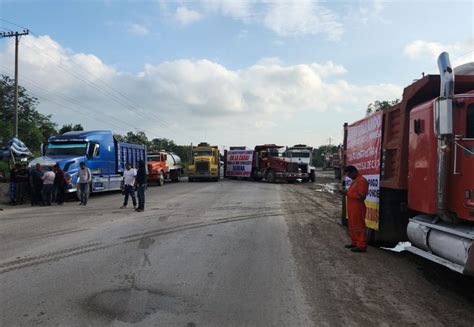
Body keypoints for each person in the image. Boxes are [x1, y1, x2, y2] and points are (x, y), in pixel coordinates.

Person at [340, 165, 369, 253]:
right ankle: (355, 242)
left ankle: (361, 245)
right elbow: (353, 193)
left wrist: (348, 194)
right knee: (352, 226)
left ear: (354, 172)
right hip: (352, 208)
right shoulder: (355, 181)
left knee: (359, 226)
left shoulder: (361, 181)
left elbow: (362, 196)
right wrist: (346, 193)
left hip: (358, 208)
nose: (349, 177)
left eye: (349, 175)